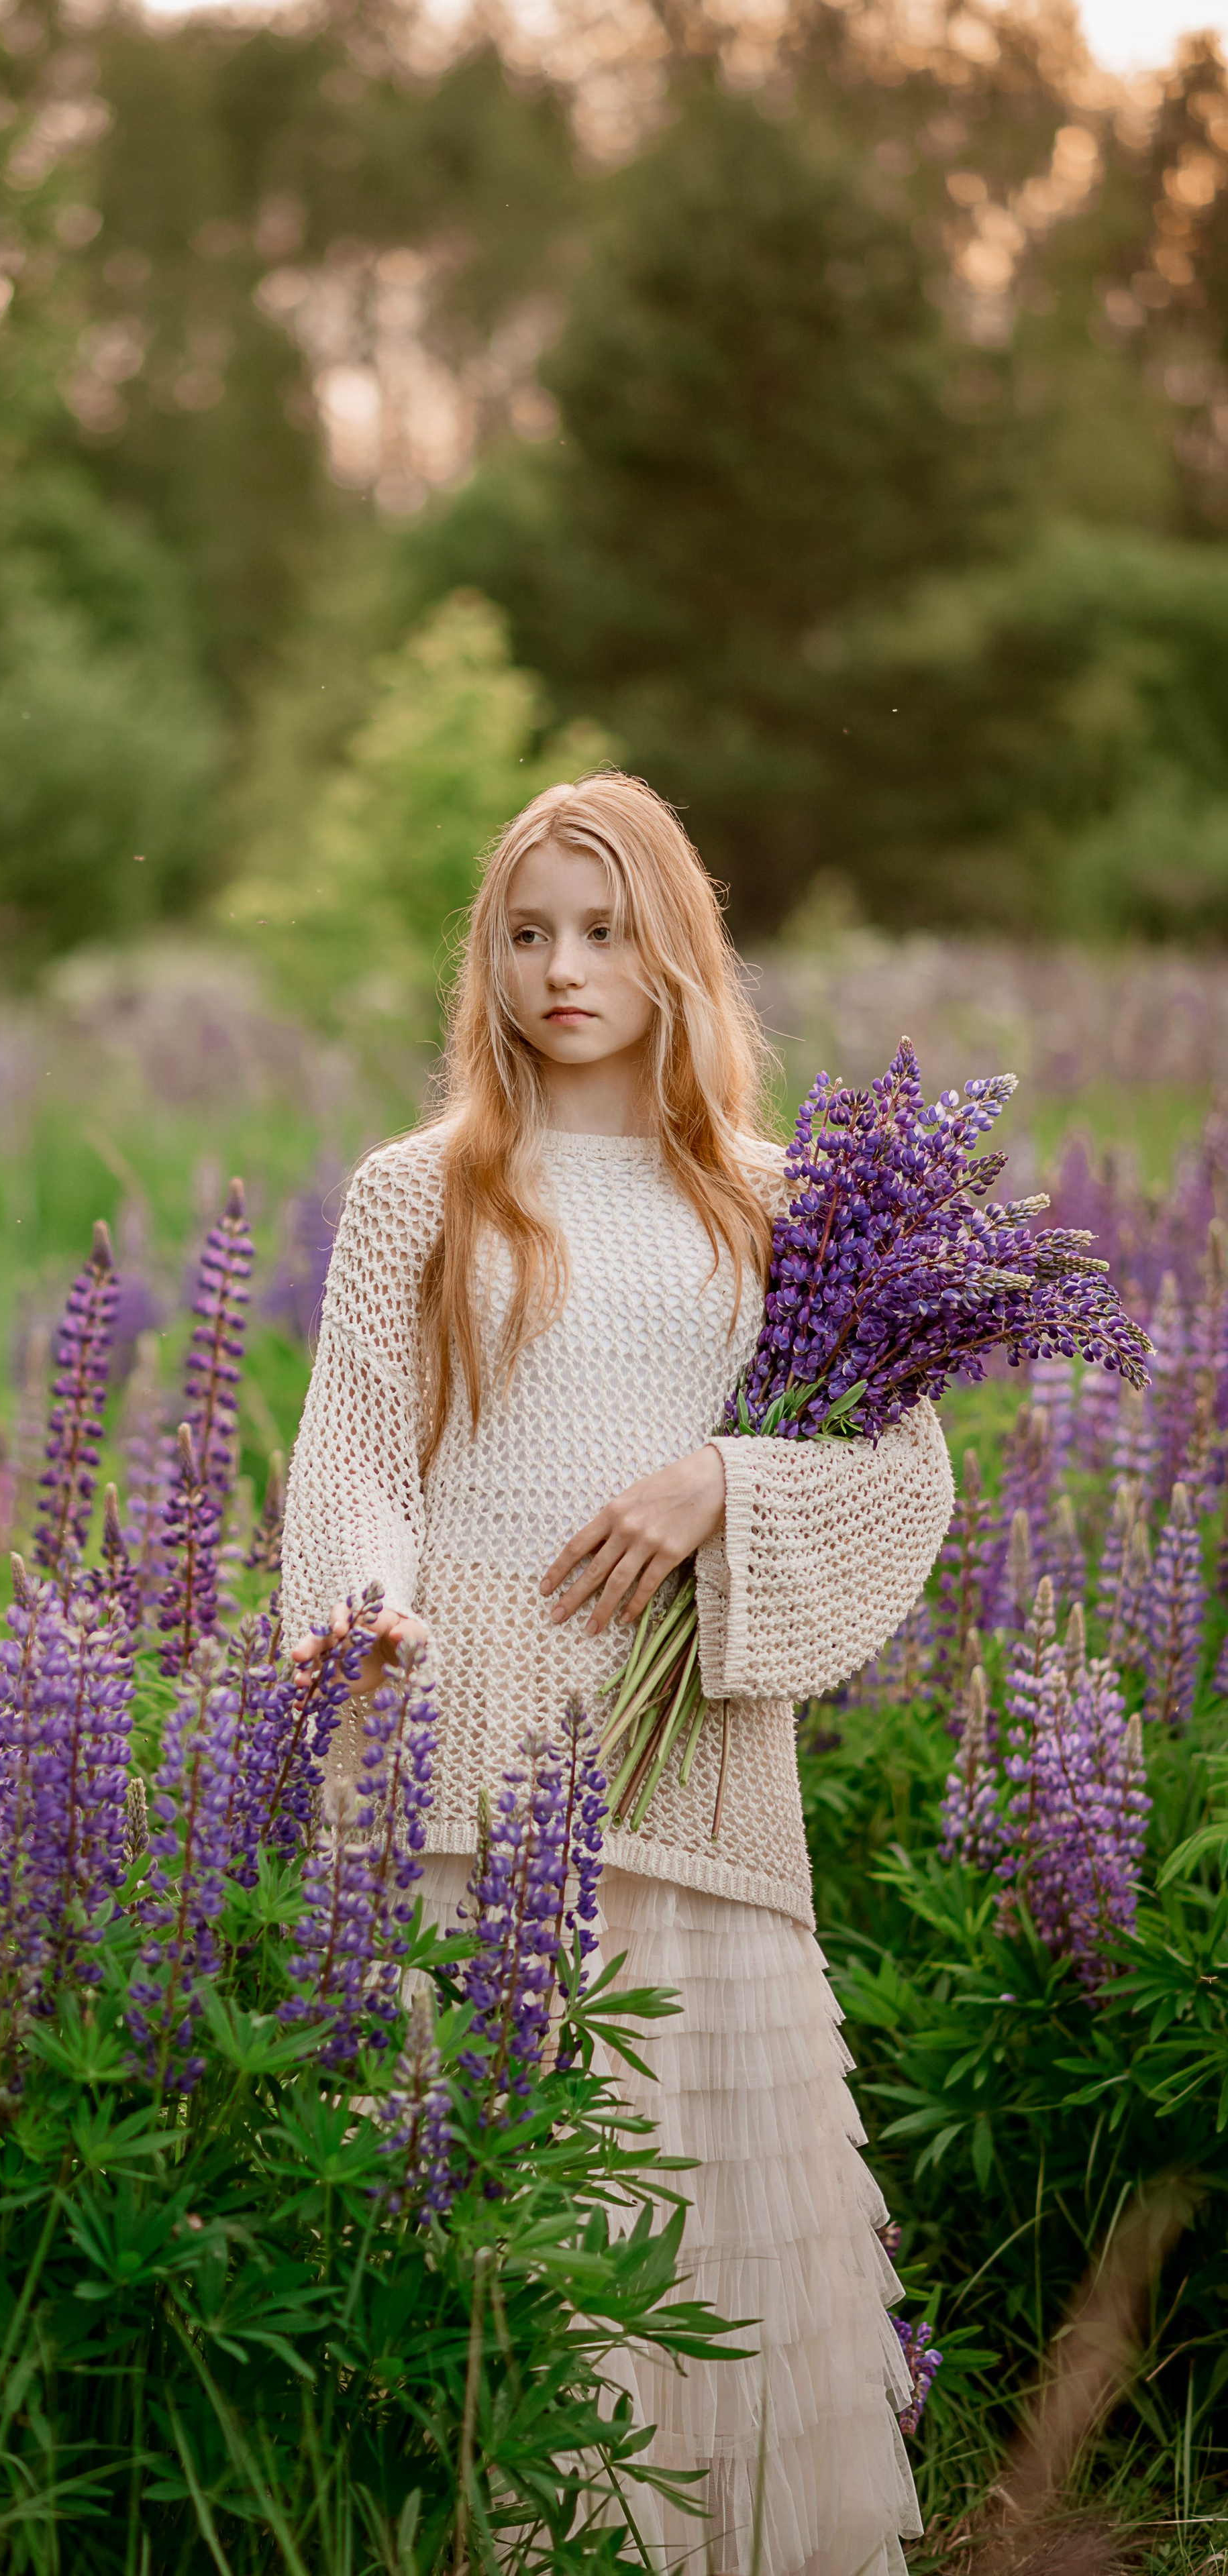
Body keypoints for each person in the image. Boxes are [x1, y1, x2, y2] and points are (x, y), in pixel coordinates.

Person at [281, 771, 956, 2575]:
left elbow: (907, 1477)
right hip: (462, 1749)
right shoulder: (420, 1190)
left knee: (699, 2211)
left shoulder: (775, 1204)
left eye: (601, 931)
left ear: (675, 953)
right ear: (486, 957)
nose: (561, 969)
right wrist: (366, 1605)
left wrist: (720, 1479)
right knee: (477, 2202)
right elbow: (354, 1446)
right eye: (525, 934)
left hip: (688, 1767)